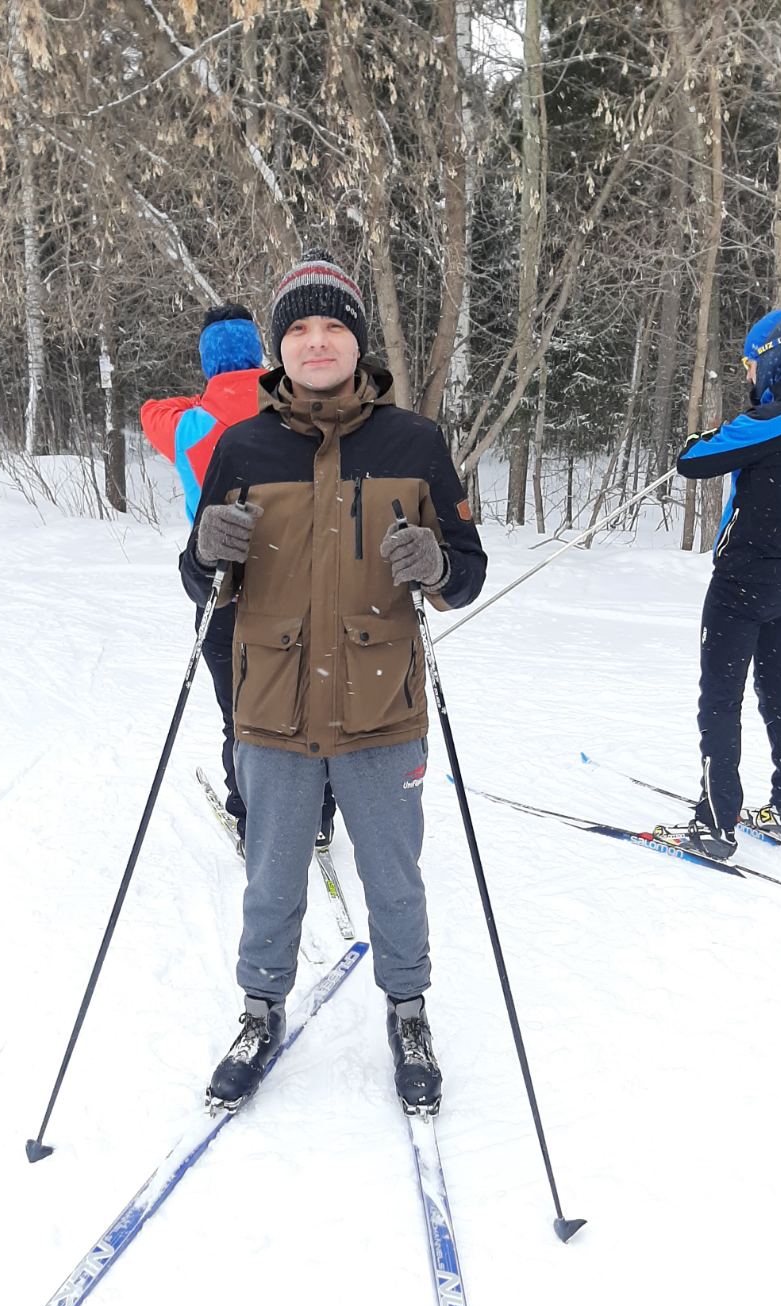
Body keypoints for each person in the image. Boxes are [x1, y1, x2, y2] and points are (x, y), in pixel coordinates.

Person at [179, 248, 487, 1115]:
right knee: (272, 876)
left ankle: (409, 1010)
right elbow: (196, 575)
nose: (317, 342)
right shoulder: (242, 445)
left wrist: (435, 562)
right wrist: (207, 553)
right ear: (280, 349)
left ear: (358, 343)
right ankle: (257, 1009)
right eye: (301, 328)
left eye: (333, 326)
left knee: (394, 877)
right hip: (270, 707)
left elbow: (466, 571)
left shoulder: (415, 443)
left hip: (383, 711)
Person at [142, 305, 337, 849]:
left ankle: (251, 816)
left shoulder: (186, 424)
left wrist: (206, 395)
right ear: (261, 354)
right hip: (299, 582)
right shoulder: (297, 407)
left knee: (241, 715)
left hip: (217, 585)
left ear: (207, 363)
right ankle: (318, 815)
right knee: (309, 703)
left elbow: (150, 409)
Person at [656, 309, 781, 860]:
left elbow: (692, 459)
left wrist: (724, 428)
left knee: (720, 698)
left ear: (775, 357)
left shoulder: (771, 420)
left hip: (743, 582)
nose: (746, 374)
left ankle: (715, 823)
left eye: (750, 363)